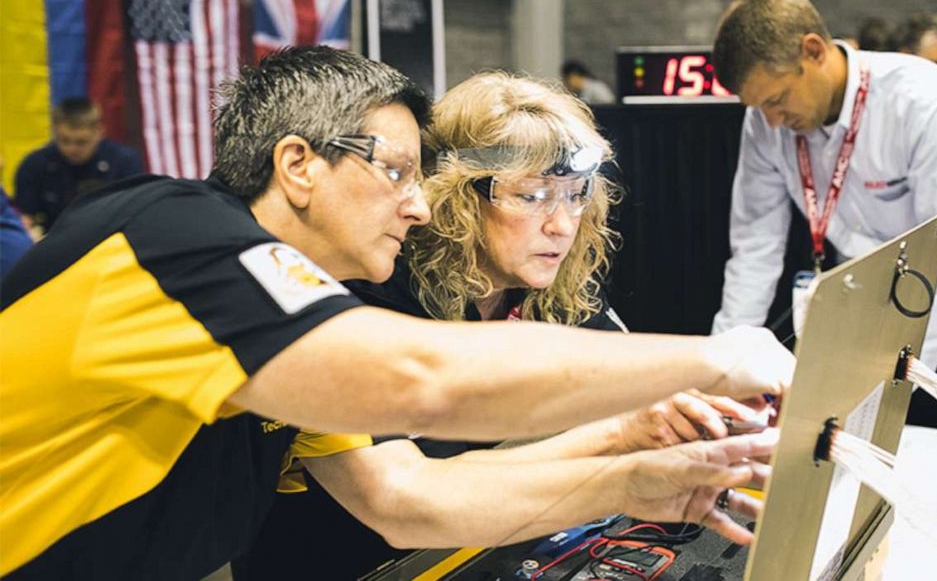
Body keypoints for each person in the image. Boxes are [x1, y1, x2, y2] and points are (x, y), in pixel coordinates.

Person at [0, 47, 792, 579]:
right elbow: (424, 378)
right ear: (298, 163)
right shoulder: (170, 233)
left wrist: (635, 470)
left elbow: (405, 499)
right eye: (398, 172)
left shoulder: (298, 313)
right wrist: (718, 357)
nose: (420, 208)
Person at [234, 72, 766, 579]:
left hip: (487, 549)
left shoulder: (551, 281)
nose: (560, 224)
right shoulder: (371, 289)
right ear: (458, 199)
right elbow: (407, 500)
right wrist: (622, 452)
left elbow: (639, 407)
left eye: (576, 193)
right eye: (531, 195)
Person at [709, 0, 937, 431]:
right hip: (863, 306)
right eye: (758, 107)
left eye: (777, 99)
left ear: (814, 50)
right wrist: (722, 369)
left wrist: (890, 381)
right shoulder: (766, 123)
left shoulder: (929, 104)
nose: (772, 122)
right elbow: (754, 246)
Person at [13, 97, 142, 233]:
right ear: (54, 133)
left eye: (81, 142)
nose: (71, 149)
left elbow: (136, 214)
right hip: (51, 241)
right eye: (64, 140)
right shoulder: (34, 165)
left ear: (99, 132)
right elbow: (26, 218)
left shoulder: (123, 162)